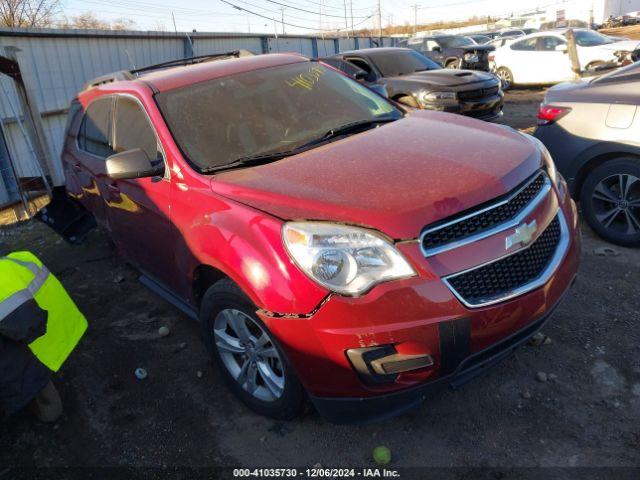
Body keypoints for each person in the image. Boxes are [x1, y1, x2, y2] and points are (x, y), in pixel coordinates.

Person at [0, 250, 87, 422]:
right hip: (60, 327)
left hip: (39, 346)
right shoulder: (19, 258)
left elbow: (29, 326)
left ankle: (45, 407)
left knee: (50, 411)